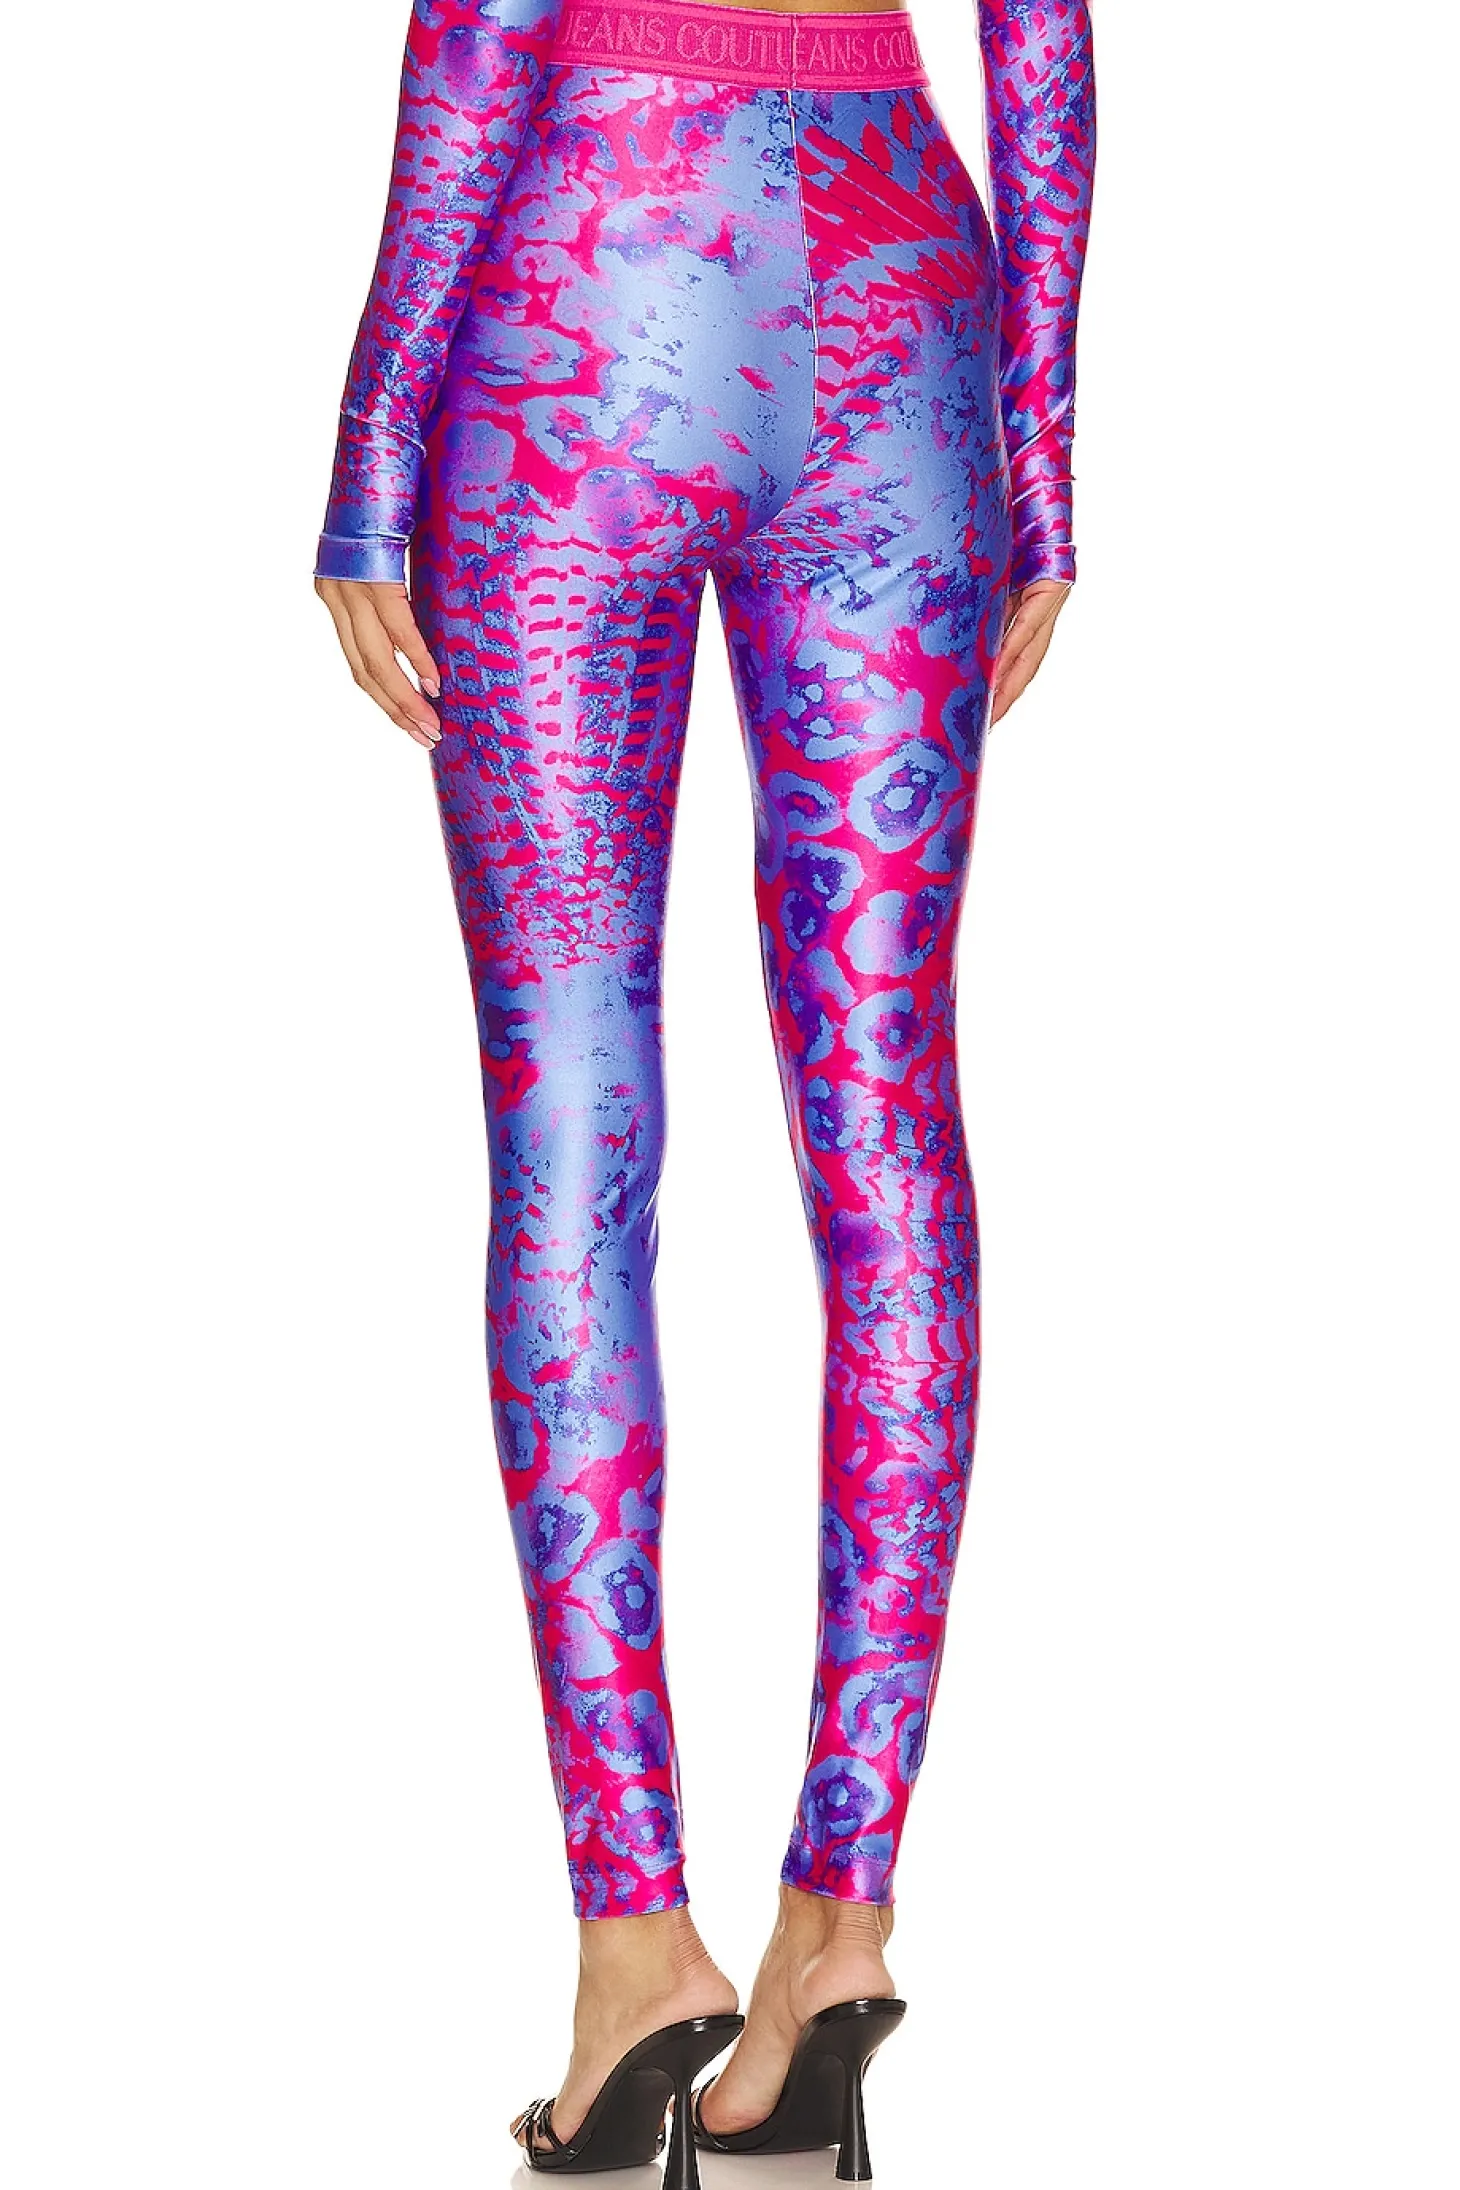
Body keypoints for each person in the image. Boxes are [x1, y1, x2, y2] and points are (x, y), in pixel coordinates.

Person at [314, 0, 1094, 2177]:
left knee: (573, 1126)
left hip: (589, 288)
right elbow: (1039, 36)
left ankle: (634, 1945)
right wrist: (1039, 441)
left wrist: (373, 445)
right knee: (888, 1120)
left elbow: (483, 28)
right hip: (894, 305)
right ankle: (837, 1920)